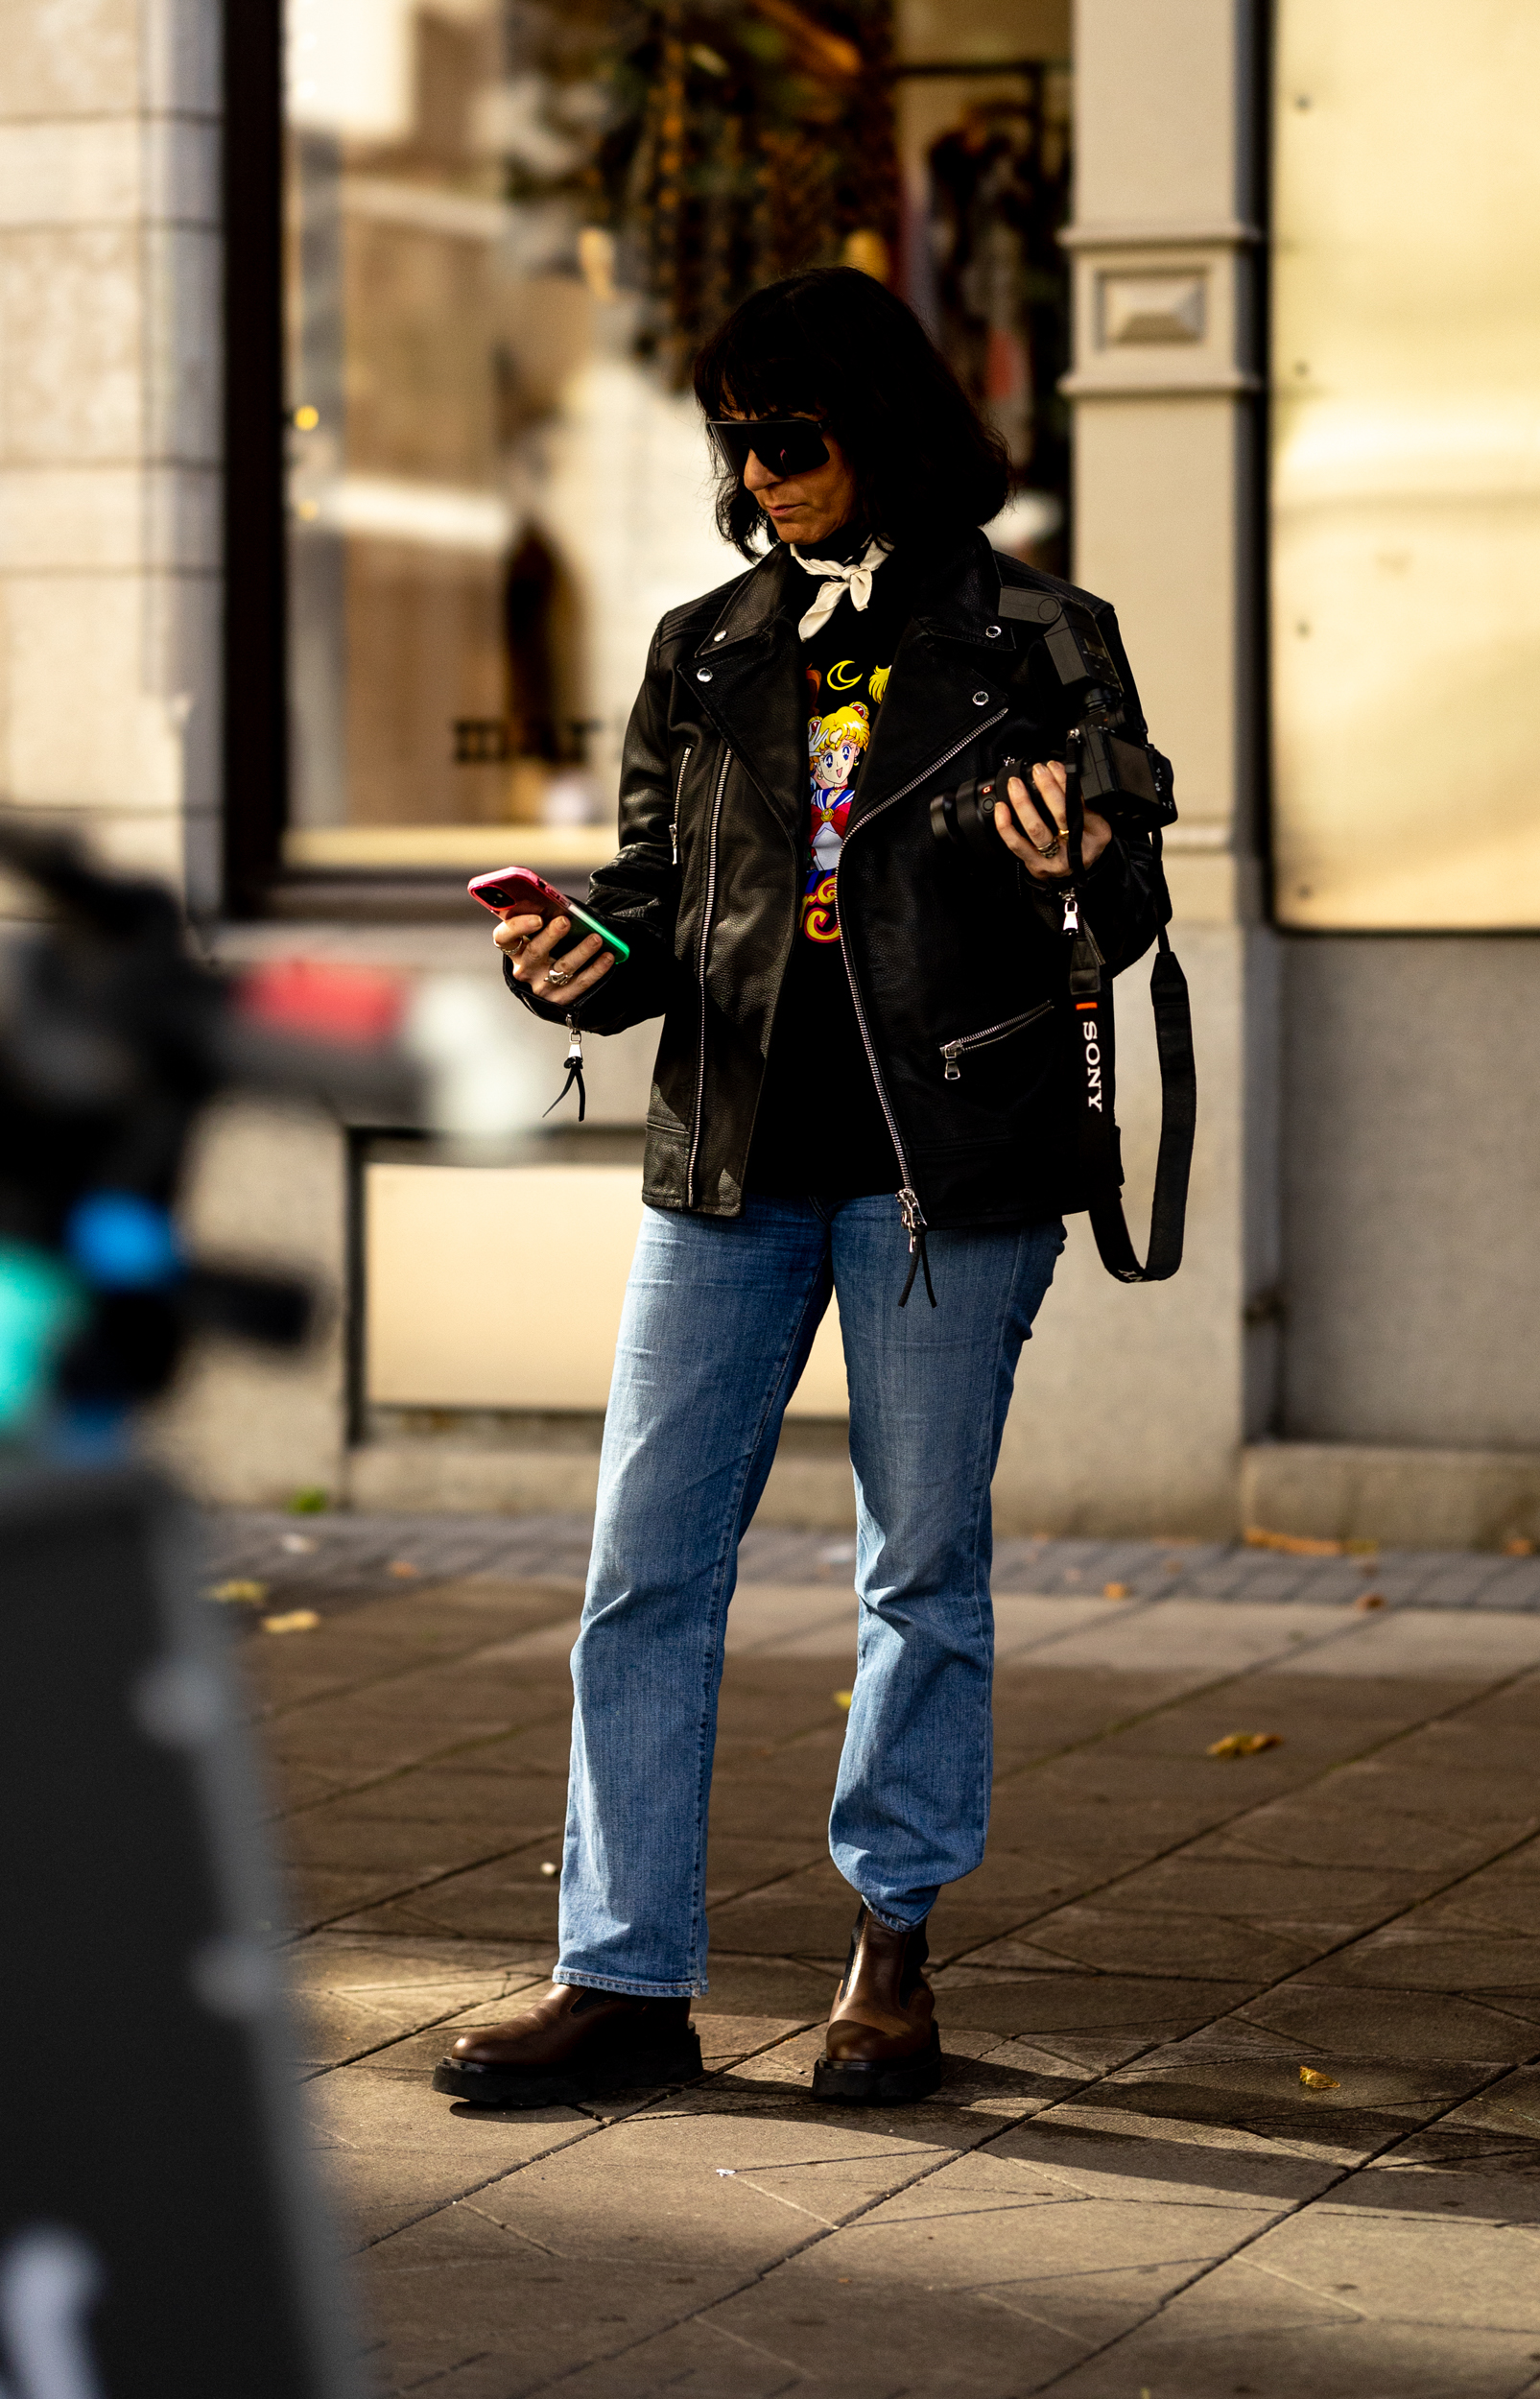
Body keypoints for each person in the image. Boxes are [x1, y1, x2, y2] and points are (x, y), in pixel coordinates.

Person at [434, 267, 1172, 2112]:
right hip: (728, 1165)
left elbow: (1127, 893)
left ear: (882, 426)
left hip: (945, 1171)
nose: (759, 475)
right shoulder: (705, 647)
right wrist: (582, 958)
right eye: (734, 444)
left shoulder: (1037, 635)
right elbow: (658, 902)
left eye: (789, 437)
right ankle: (623, 1973)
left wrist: (1077, 859)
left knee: (918, 1569)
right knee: (642, 1569)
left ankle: (891, 1952)